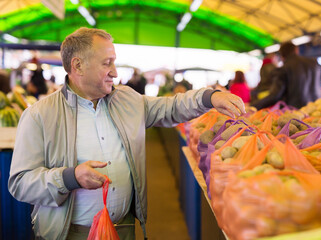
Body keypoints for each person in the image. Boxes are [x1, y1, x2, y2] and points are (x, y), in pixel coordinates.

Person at [8, 27, 246, 240]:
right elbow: (21, 183)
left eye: (114, 63)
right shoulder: (40, 116)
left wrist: (210, 97)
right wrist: (71, 177)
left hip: (124, 230)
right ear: (78, 65)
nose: (114, 72)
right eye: (107, 63)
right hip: (69, 233)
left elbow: (170, 107)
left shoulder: (127, 100)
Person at [252, 41, 321, 109]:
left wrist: (253, 106)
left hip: (295, 114)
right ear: (296, 50)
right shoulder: (314, 63)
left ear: (282, 55)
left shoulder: (283, 69)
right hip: (317, 110)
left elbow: (275, 96)